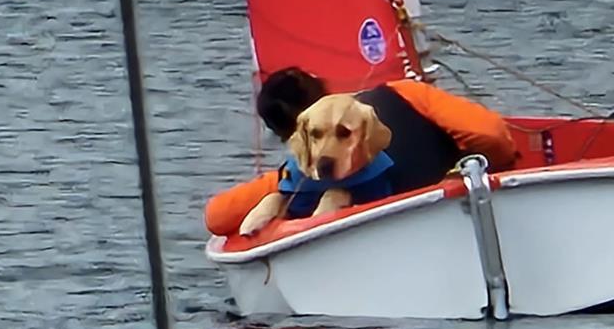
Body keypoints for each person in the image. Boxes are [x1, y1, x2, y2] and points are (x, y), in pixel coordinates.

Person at [204, 67, 518, 237]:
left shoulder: (293, 179)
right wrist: (497, 165)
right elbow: (490, 134)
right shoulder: (405, 94)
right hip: (452, 220)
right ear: (326, 89)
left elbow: (217, 217)